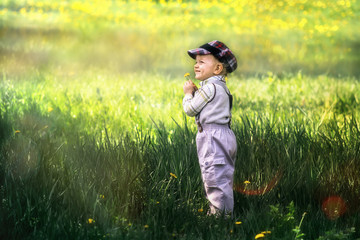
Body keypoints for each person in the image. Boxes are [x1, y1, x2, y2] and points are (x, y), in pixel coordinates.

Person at [182, 40, 238, 216]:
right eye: (195, 62)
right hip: (224, 134)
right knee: (223, 177)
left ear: (218, 69)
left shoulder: (210, 88)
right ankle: (224, 213)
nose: (196, 65)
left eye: (201, 62)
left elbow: (190, 109)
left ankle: (218, 218)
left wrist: (188, 94)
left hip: (212, 137)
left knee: (213, 177)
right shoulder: (220, 87)